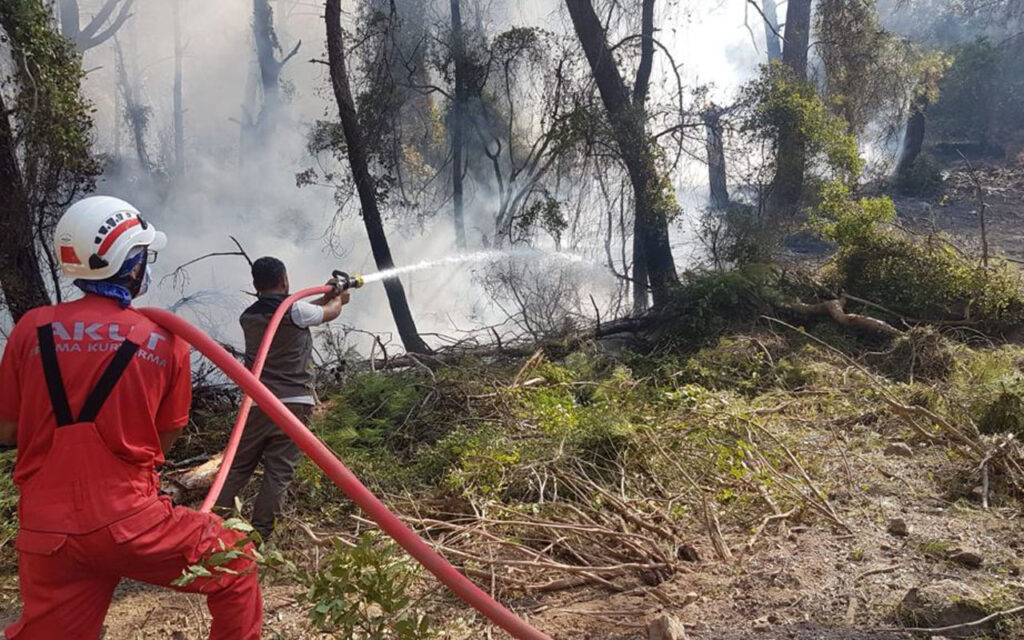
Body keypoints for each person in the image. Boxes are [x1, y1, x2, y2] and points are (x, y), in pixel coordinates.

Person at [0, 196, 262, 640]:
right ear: (131, 264)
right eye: (144, 255)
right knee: (234, 559)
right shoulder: (164, 339)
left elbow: (7, 430)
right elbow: (167, 435)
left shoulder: (31, 328)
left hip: (46, 532)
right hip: (129, 522)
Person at [214, 256, 348, 541]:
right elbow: (329, 312)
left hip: (257, 402)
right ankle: (260, 539)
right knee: (278, 472)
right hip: (294, 403)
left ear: (255, 284)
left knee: (238, 466)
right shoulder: (295, 310)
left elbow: (301, 314)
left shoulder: (249, 317)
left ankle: (211, 525)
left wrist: (327, 292)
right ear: (285, 280)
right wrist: (339, 297)